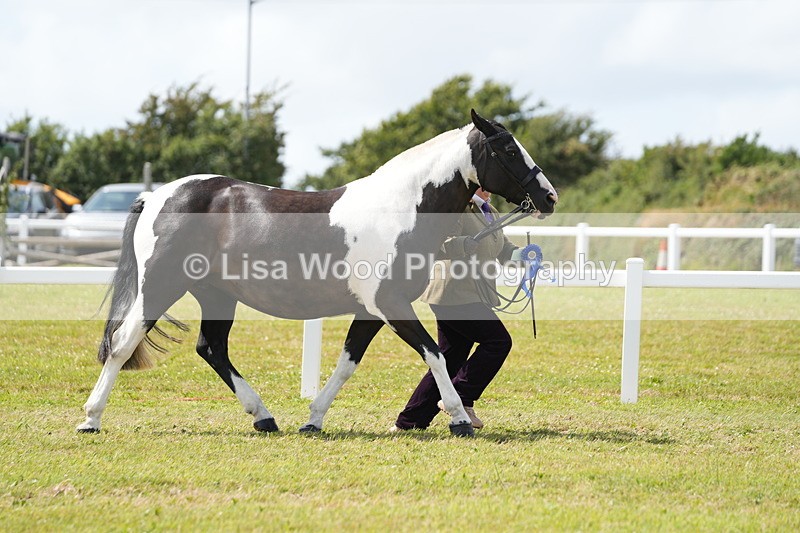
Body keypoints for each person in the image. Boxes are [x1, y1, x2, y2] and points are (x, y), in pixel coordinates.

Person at [391, 188, 521, 432]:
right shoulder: (457, 207)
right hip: (453, 292)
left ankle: (409, 422)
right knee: (498, 341)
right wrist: (462, 244)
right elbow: (438, 244)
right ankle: (461, 397)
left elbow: (502, 248)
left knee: (448, 360)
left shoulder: (489, 211)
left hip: (473, 292)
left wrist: (522, 255)